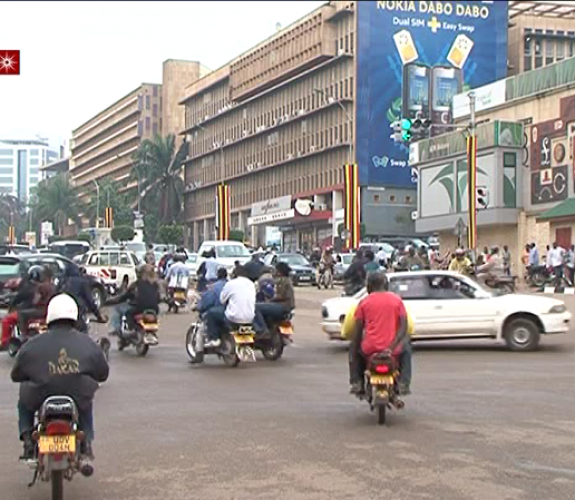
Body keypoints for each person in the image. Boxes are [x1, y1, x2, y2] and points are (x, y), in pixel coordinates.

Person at [11, 293, 109, 460]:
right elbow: (102, 374)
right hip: (77, 395)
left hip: (40, 395)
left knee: (24, 399)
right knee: (86, 402)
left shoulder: (32, 344)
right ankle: (86, 442)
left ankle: (27, 439)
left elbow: (16, 375)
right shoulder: (88, 344)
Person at [349, 272, 412, 395]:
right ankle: (404, 383)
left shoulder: (364, 302)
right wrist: (391, 347)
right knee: (407, 349)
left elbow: (358, 329)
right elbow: (404, 327)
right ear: (386, 285)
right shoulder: (397, 300)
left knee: (353, 349)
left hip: (370, 348)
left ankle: (357, 382)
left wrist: (355, 345)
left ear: (369, 286)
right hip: (393, 349)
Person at [204, 265, 256, 348]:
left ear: (234, 274)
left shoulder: (230, 284)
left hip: (234, 317)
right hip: (250, 317)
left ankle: (214, 339)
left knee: (211, 313)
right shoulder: (251, 284)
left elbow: (222, 300)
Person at [108, 264, 161, 338]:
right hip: (155, 310)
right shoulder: (155, 285)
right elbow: (158, 298)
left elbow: (125, 296)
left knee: (120, 309)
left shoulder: (136, 284)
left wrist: (111, 301)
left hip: (140, 308)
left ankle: (119, 329)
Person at [1, 266, 44, 350]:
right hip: (43, 313)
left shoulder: (29, 287)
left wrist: (12, 304)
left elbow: (18, 298)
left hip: (27, 313)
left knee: (6, 320)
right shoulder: (49, 286)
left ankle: (4, 343)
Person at [61, 266, 106, 331]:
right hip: (77, 310)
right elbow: (90, 301)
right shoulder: (82, 282)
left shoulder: (63, 282)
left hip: (62, 311)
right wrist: (99, 316)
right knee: (83, 330)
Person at [254, 262, 295, 334]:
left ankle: (262, 329)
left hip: (283, 306)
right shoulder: (286, 280)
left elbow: (281, 296)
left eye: (275, 270)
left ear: (279, 272)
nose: (274, 272)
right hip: (286, 306)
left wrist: (270, 300)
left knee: (256, 307)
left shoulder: (282, 280)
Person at [17, 266, 57, 339]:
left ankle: (24, 334)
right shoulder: (54, 286)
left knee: (22, 314)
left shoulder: (41, 286)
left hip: (41, 311)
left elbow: (35, 301)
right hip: (52, 310)